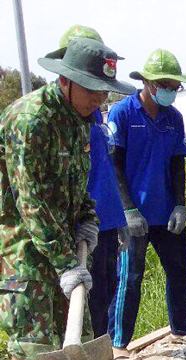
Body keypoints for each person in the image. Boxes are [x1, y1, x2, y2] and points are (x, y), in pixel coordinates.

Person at [0, 38, 134, 360]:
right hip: (20, 242)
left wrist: (87, 222)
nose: (102, 99)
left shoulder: (82, 119)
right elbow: (31, 202)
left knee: (68, 334)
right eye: (93, 89)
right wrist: (62, 262)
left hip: (60, 238)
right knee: (31, 341)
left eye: (104, 90)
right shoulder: (32, 119)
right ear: (65, 80)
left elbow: (80, 182)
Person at [107, 49, 186, 360]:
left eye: (174, 85)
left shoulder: (174, 118)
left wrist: (179, 206)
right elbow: (114, 165)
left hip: (165, 210)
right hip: (133, 214)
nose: (171, 89)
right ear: (146, 82)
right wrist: (128, 209)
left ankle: (181, 330)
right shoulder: (123, 113)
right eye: (165, 83)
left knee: (179, 269)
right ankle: (118, 344)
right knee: (130, 276)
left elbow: (176, 165)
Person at [49, 26, 131, 338]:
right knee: (83, 306)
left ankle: (102, 358)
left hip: (102, 220)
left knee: (106, 292)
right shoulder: (51, 119)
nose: (97, 95)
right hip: (73, 228)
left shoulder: (92, 114)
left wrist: (120, 214)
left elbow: (101, 167)